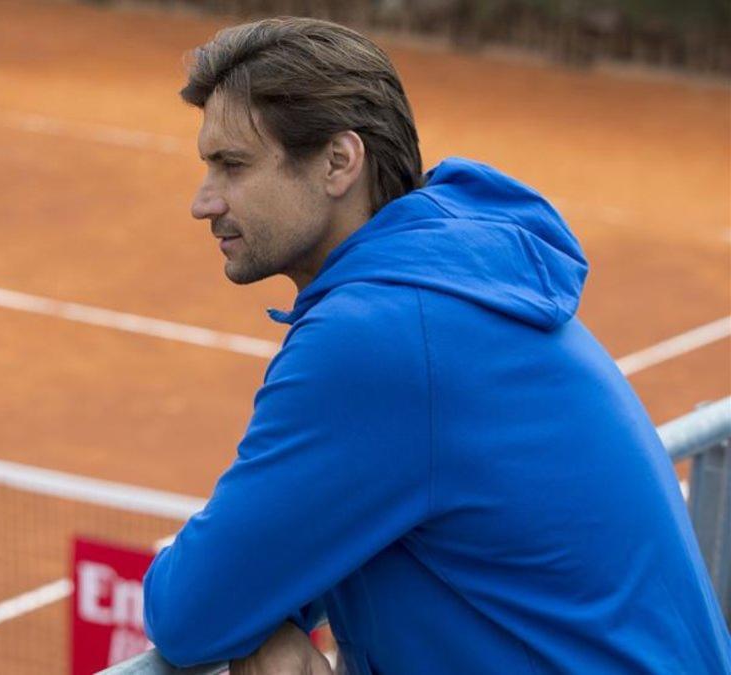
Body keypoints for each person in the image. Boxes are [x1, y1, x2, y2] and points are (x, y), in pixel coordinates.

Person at [141, 17, 731, 674]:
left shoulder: (380, 337)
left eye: (232, 165)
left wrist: (251, 611)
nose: (203, 201)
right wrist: (262, 609)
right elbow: (282, 553)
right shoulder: (443, 276)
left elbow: (192, 609)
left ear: (339, 162)